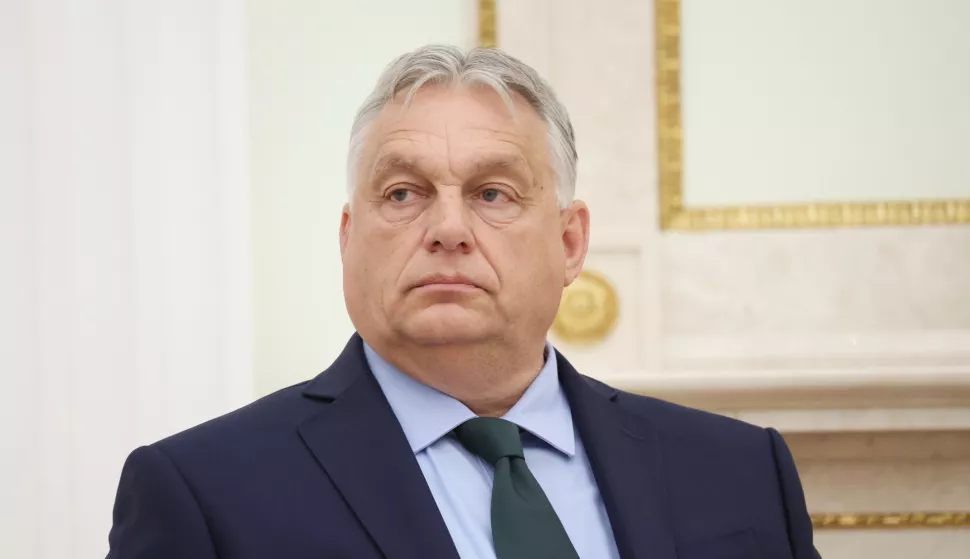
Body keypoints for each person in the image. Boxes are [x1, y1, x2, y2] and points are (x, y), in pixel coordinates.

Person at [107, 45, 820, 559]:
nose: (448, 229)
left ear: (571, 243)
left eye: (492, 194)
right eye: (403, 193)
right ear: (349, 238)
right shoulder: (204, 495)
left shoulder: (740, 471)